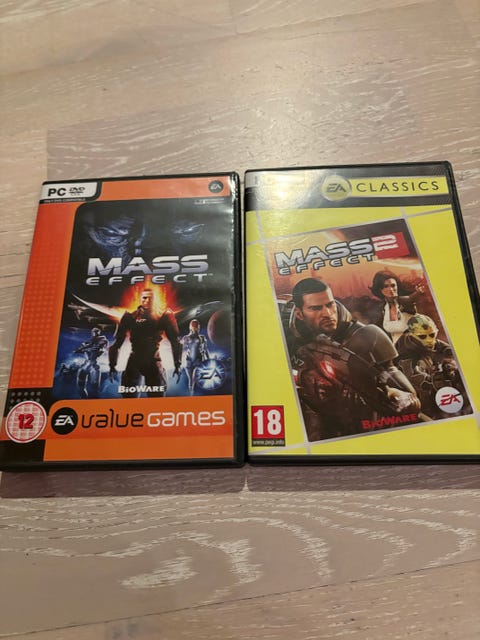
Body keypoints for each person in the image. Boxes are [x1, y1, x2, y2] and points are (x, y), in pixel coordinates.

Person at [288, 278, 422, 441]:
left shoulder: (366, 337)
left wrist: (400, 397)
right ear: (299, 314)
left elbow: (401, 389)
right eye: (315, 308)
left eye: (330, 305)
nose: (328, 314)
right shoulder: (289, 341)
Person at [109, 288, 181, 397]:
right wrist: (112, 365)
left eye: (150, 298)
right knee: (128, 400)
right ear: (140, 298)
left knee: (157, 400)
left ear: (154, 300)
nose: (147, 300)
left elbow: (175, 342)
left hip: (153, 361)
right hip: (134, 362)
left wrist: (177, 364)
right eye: (144, 297)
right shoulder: (130, 316)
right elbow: (117, 344)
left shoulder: (164, 315)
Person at [396, 314, 470, 417]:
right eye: (422, 336)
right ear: (411, 335)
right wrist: (436, 379)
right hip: (423, 404)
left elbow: (452, 354)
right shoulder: (406, 355)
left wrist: (452, 365)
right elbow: (417, 380)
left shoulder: (438, 345)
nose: (429, 340)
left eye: (432, 335)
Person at [369, 270, 424, 344]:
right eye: (386, 286)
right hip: (396, 348)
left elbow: (410, 299)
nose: (391, 289)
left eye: (393, 285)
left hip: (416, 345)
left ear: (397, 286)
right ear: (380, 289)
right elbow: (375, 329)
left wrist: (419, 292)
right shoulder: (383, 309)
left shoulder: (405, 302)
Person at [74, 326, 109, 398]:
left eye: (96, 331)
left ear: (99, 332)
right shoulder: (90, 341)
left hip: (94, 366)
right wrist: (82, 348)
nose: (94, 333)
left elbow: (96, 349)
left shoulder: (103, 340)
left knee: (94, 389)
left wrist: (84, 348)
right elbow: (81, 348)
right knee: (80, 387)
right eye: (93, 331)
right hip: (85, 365)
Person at [180, 319, 210, 394]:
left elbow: (205, 350)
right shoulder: (186, 338)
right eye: (195, 327)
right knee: (191, 380)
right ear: (191, 327)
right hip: (189, 362)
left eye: (197, 327)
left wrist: (209, 360)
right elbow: (182, 351)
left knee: (194, 378)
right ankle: (191, 394)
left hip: (198, 361)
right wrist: (180, 362)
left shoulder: (202, 338)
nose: (196, 329)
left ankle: (193, 392)